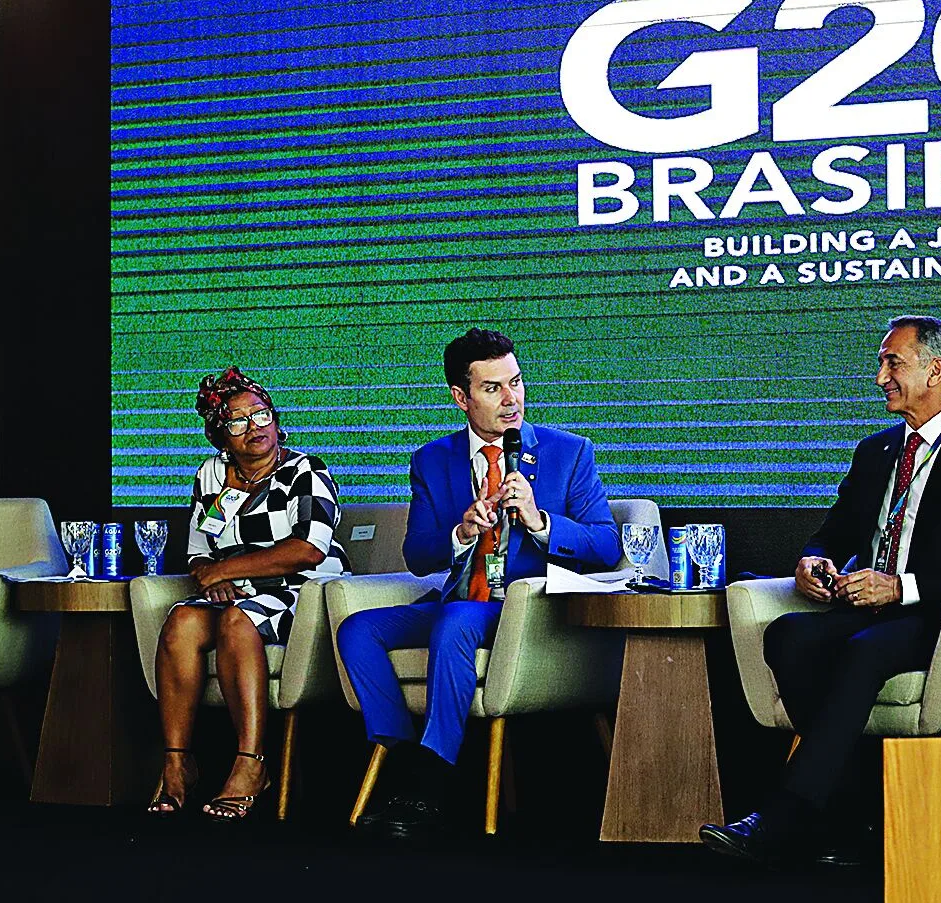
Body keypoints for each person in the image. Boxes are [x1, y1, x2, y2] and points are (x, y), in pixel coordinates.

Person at [699, 315, 941, 866]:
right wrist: (813, 558)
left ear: (935, 371)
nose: (880, 377)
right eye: (882, 363)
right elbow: (838, 529)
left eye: (892, 363)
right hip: (863, 605)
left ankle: (786, 817)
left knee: (863, 651)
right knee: (788, 636)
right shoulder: (875, 451)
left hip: (935, 614)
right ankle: (850, 811)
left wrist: (901, 587)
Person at [337, 328, 620, 839]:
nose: (511, 400)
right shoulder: (431, 459)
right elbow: (419, 555)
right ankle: (404, 757)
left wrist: (539, 521)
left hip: (526, 609)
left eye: (516, 382)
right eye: (493, 388)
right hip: (461, 598)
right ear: (460, 397)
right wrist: (462, 532)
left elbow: (606, 546)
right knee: (358, 630)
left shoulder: (568, 452)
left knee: (457, 621)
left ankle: (434, 778)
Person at [148, 367, 347, 820]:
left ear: (276, 420)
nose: (254, 427)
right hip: (235, 590)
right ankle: (178, 763)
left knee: (239, 621)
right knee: (181, 619)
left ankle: (251, 764)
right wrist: (212, 577)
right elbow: (198, 553)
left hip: (303, 590)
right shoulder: (211, 475)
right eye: (237, 420)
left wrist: (225, 571)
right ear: (220, 434)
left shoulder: (305, 472)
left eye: (261, 415)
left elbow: (308, 550)